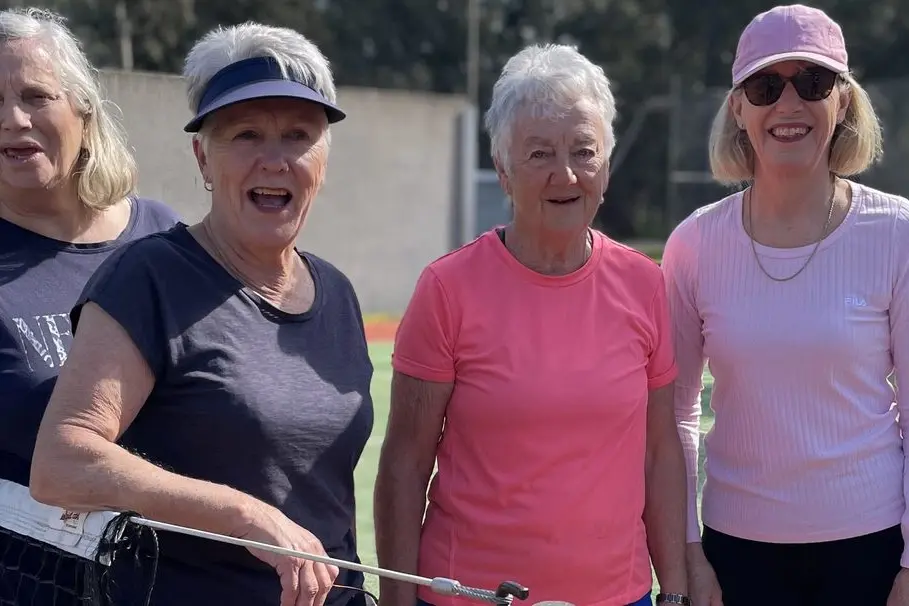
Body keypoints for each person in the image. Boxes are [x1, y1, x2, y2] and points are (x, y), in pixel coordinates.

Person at [28, 21, 374, 606]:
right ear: (202, 157)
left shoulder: (336, 292)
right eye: (245, 135)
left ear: (323, 160)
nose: (275, 159)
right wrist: (241, 513)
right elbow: (62, 462)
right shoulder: (149, 277)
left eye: (298, 135)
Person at [374, 43, 690, 606]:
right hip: (468, 595)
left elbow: (660, 454)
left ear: (606, 167)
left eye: (583, 151)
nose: (565, 173)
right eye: (539, 153)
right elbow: (404, 464)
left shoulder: (646, 285)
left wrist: (677, 592)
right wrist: (399, 599)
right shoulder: (447, 290)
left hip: (620, 596)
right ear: (502, 170)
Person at [662, 5, 909, 606]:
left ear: (844, 101)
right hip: (734, 555)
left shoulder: (897, 233)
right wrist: (689, 553)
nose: (789, 105)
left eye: (814, 83)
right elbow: (674, 416)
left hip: (872, 553)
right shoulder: (693, 244)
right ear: (738, 108)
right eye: (766, 86)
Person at [0, 7, 179, 605]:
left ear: (83, 109)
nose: (13, 120)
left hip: (182, 580)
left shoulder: (164, 239)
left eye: (35, 95)